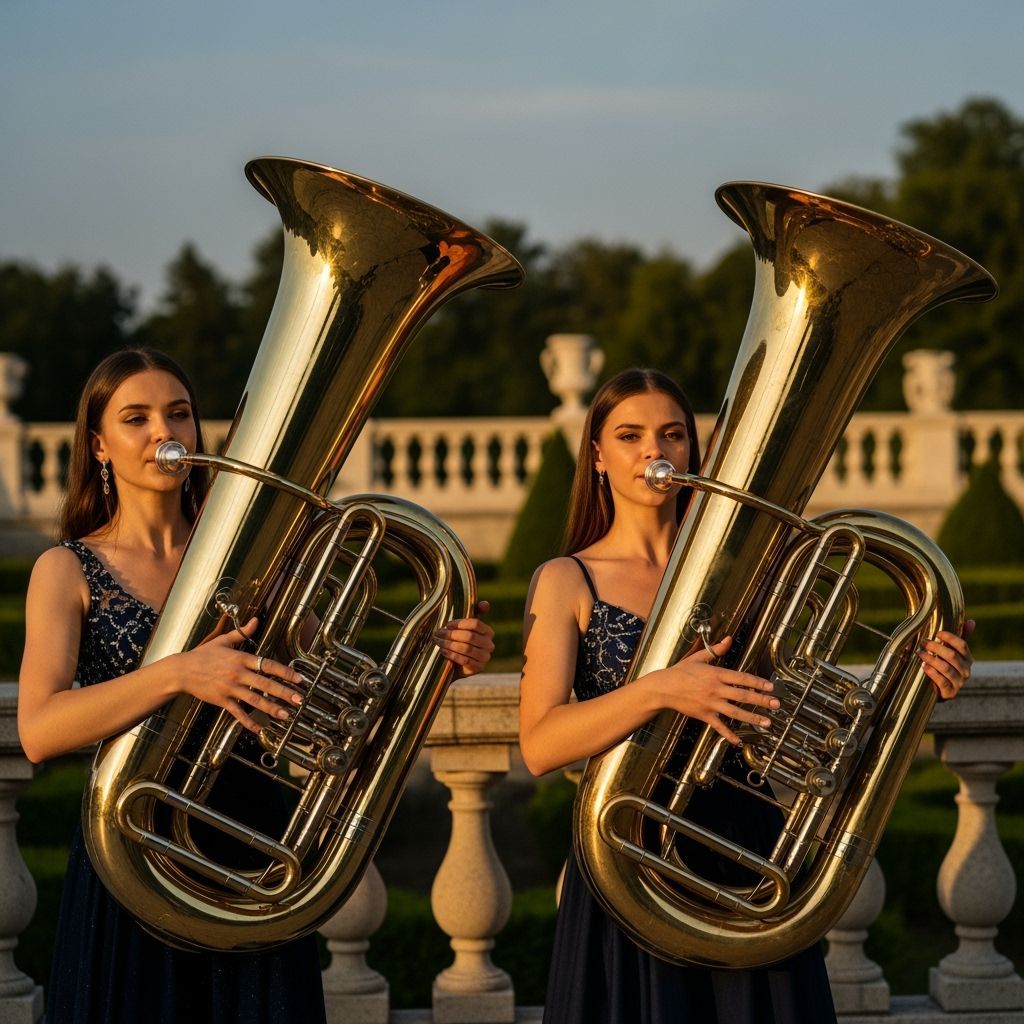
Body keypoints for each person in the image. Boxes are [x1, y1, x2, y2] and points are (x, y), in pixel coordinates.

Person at [17, 347, 495, 1024]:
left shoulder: (256, 559)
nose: (164, 432)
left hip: (257, 848)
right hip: (133, 849)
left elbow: (322, 698)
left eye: (179, 413)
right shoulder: (67, 569)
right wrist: (181, 673)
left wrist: (439, 657)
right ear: (99, 445)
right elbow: (39, 729)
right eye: (137, 418)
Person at [518, 367, 974, 1024]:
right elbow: (539, 744)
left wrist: (920, 673)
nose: (655, 452)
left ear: (692, 453)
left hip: (749, 849)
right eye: (630, 435)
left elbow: (797, 705)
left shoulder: (746, 571)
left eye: (673, 435)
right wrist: (663, 691)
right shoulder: (569, 578)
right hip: (629, 849)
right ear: (596, 456)